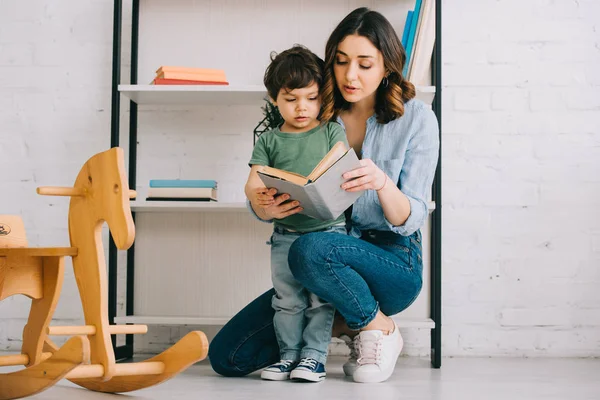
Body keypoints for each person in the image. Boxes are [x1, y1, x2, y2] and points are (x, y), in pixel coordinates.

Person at [209, 7, 439, 384]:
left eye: (365, 64)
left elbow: (410, 217)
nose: (350, 75)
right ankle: (346, 318)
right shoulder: (314, 110)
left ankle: (378, 327)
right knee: (229, 356)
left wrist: (381, 183)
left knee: (310, 250)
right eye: (342, 62)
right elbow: (264, 178)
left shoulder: (416, 119)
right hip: (319, 258)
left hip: (390, 259)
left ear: (388, 67)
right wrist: (264, 206)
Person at [244, 44, 350, 382]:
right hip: (285, 235)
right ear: (275, 99)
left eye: (311, 98)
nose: (302, 107)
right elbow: (252, 183)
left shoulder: (332, 131)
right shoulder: (270, 141)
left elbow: (341, 170)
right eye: (291, 100)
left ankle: (314, 358)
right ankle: (289, 356)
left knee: (321, 300)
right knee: (287, 300)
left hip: (328, 233)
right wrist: (261, 202)